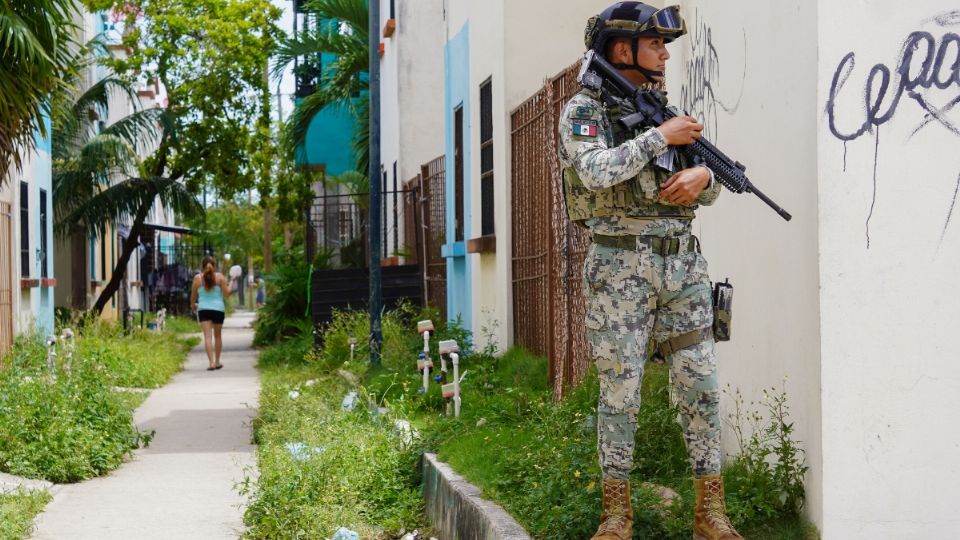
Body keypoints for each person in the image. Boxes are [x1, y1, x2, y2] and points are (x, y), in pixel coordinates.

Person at [558, 3, 742, 539]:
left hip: (681, 266)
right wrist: (662, 138)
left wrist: (702, 179)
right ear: (622, 50)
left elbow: (699, 190)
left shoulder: (660, 110)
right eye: (656, 44)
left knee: (701, 385)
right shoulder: (584, 111)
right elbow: (593, 171)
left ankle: (711, 515)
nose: (665, 54)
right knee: (622, 392)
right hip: (620, 269)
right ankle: (616, 517)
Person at [190, 256, 233, 371]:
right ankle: (218, 362)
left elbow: (193, 296)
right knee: (218, 336)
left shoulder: (197, 278)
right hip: (218, 310)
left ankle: (211, 363)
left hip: (204, 310)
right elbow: (227, 294)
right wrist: (233, 281)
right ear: (214, 266)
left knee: (207, 337)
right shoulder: (220, 278)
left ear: (202, 266)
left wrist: (193, 305)